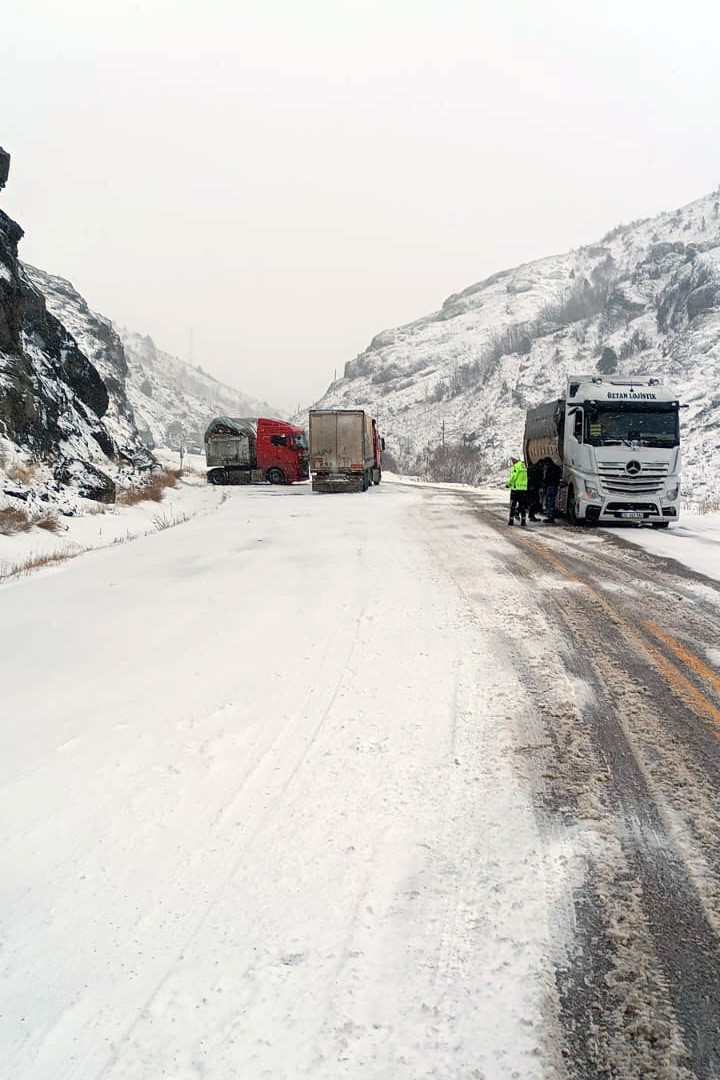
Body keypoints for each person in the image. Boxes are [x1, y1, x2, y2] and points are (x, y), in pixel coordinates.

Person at [506, 456, 528, 526]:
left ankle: (511, 520)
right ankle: (523, 521)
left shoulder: (515, 466)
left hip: (516, 489)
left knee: (513, 505)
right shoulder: (523, 466)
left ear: (515, 459)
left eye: (512, 459)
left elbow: (513, 476)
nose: (512, 461)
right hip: (523, 489)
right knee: (522, 505)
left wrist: (508, 484)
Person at [542, 457, 562, 523]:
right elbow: (559, 476)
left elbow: (547, 478)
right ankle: (551, 516)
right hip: (555, 486)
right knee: (552, 502)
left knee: (550, 502)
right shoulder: (557, 468)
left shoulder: (549, 468)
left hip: (550, 486)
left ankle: (551, 517)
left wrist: (544, 482)